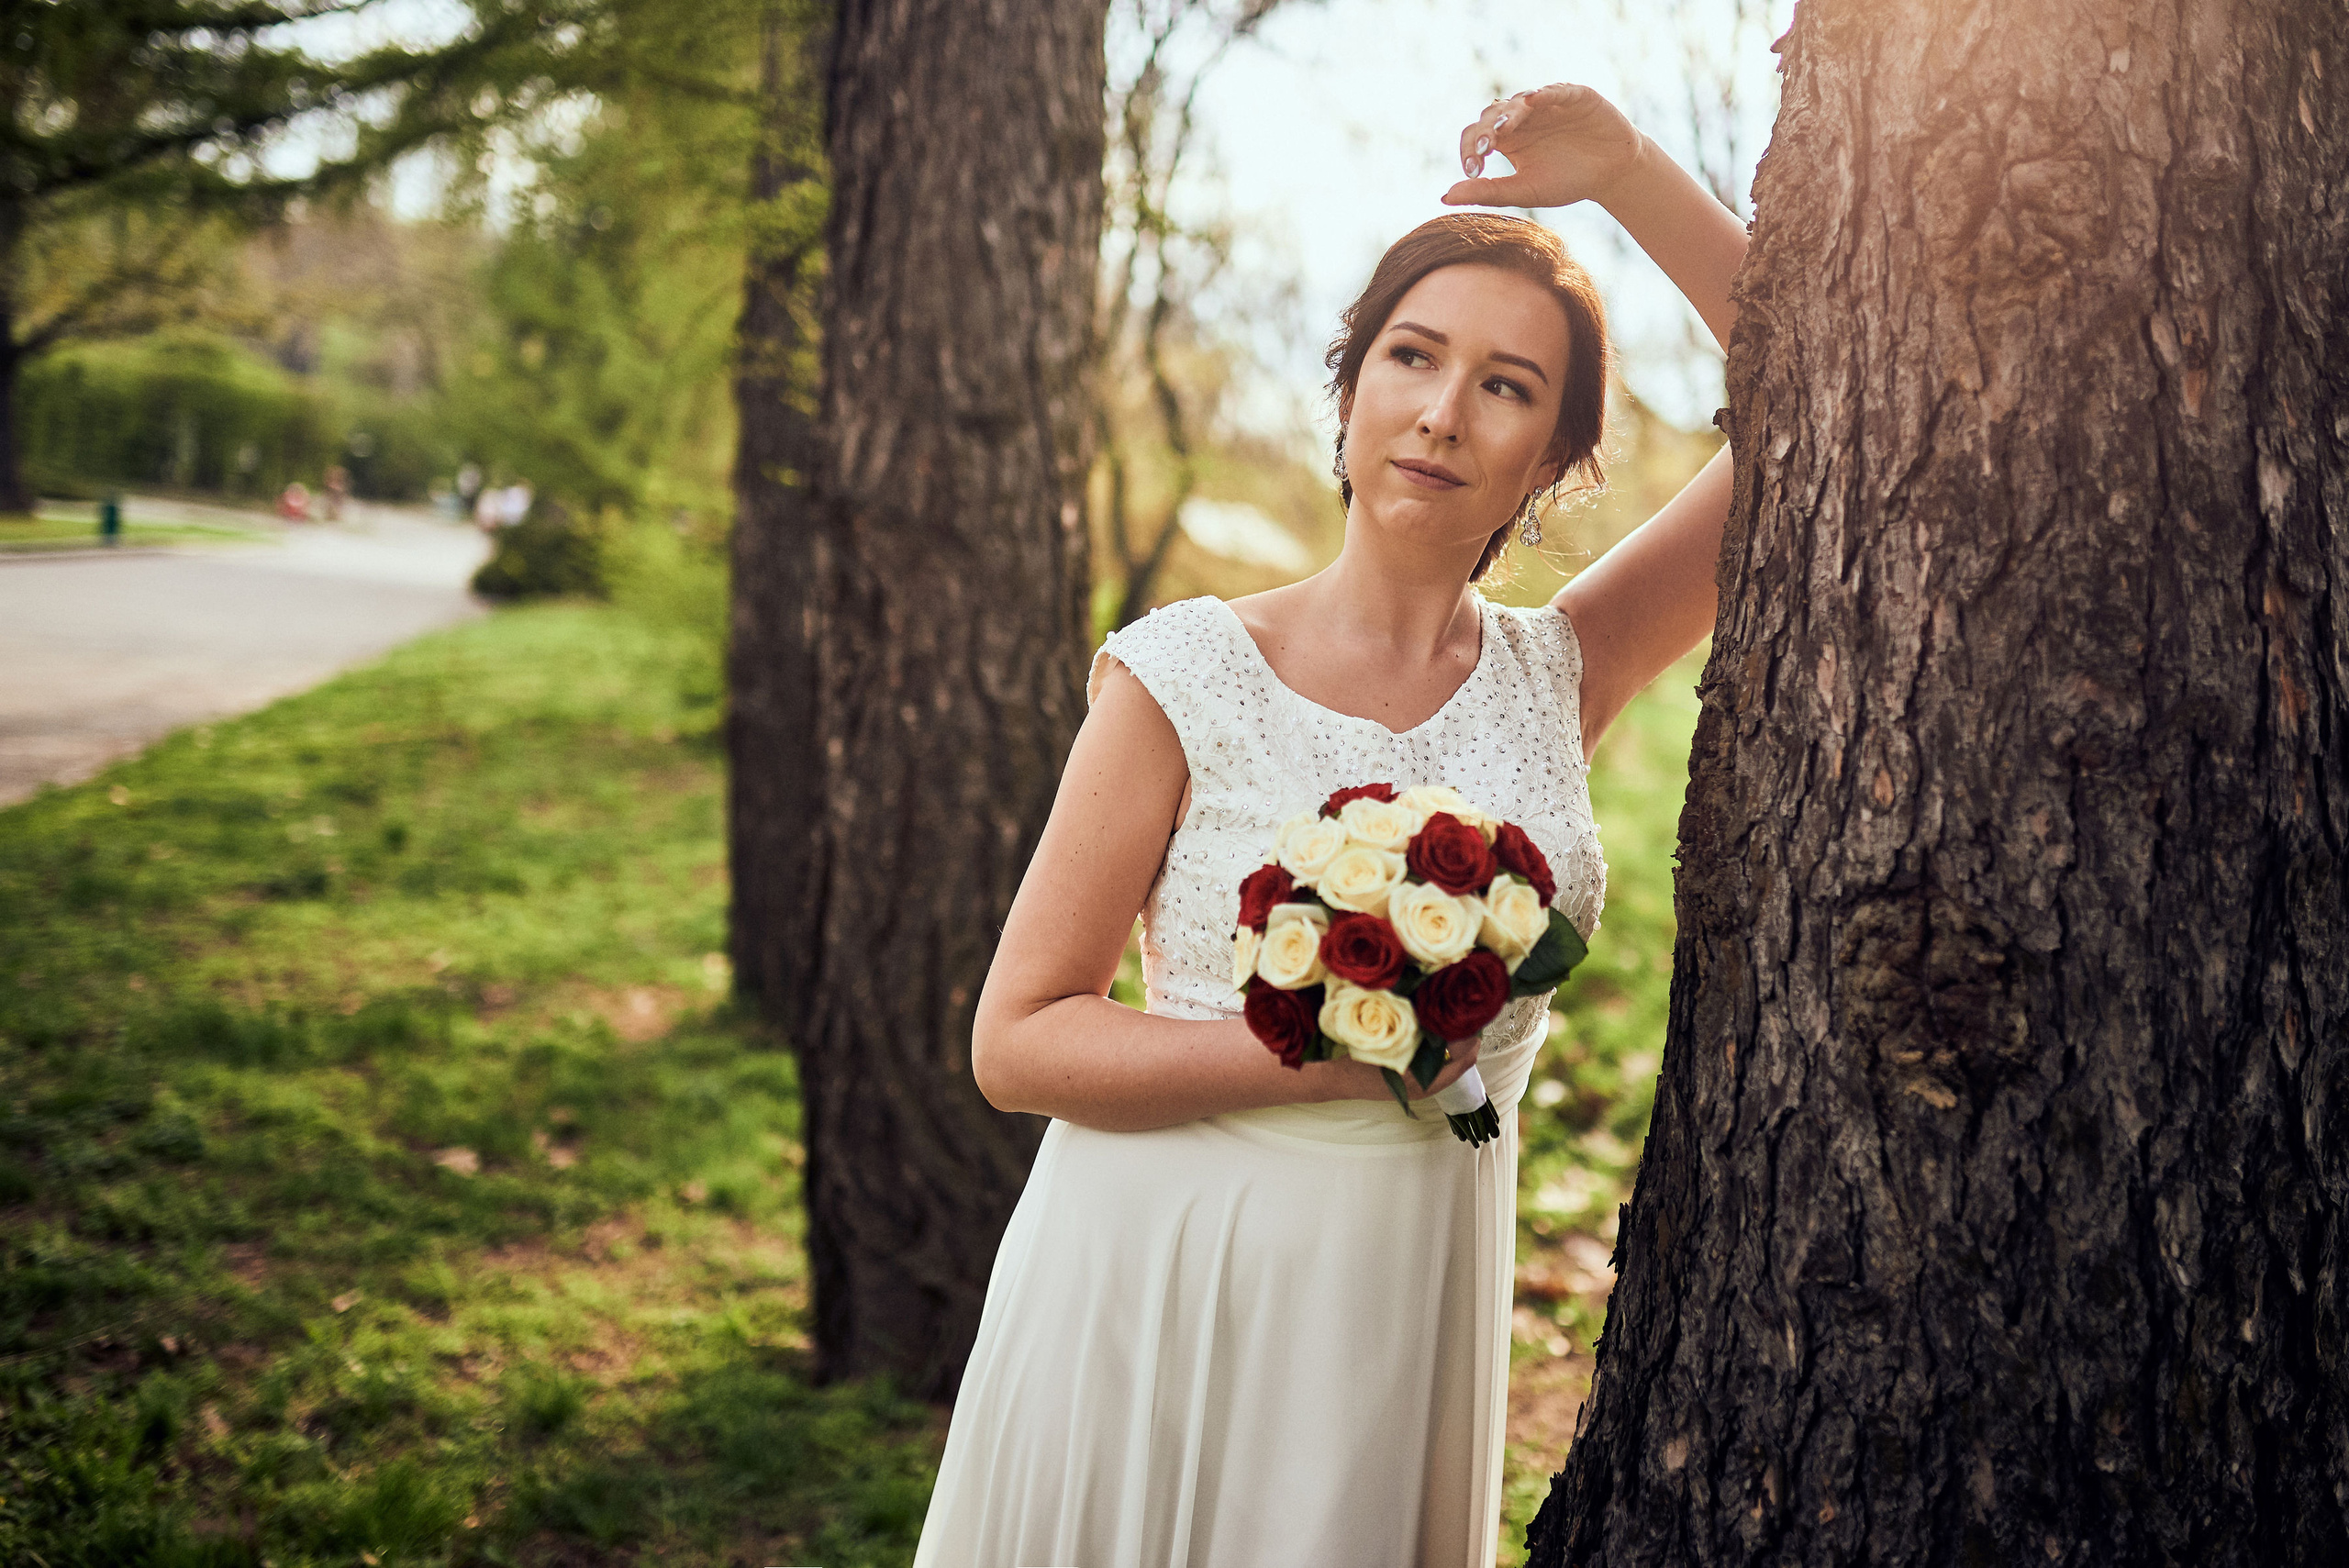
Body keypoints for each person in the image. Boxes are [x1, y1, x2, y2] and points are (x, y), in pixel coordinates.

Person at [911, 82, 1745, 1567]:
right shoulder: (1185, 669)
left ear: (1557, 454)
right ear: (1347, 395)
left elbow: (1835, 390)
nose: (1441, 409)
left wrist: (1628, 178)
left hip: (1399, 1293)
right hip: (1162, 1265)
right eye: (1411, 359)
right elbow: (1019, 1035)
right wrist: (1332, 1056)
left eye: (1506, 384)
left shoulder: (1572, 665)